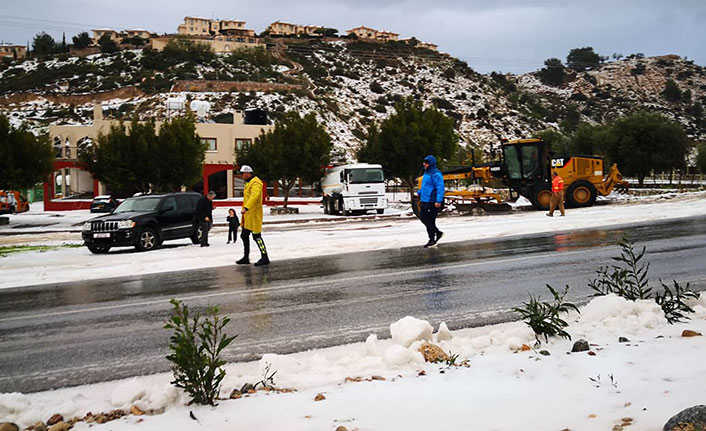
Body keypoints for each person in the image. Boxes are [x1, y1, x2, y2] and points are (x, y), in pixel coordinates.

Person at [236, 165, 270, 266]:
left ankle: (265, 257)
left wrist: (246, 207)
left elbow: (254, 196)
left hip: (254, 214)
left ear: (248, 173)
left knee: (257, 236)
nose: (242, 175)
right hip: (248, 215)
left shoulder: (256, 182)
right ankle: (246, 257)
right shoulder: (249, 183)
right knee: (244, 235)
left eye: (243, 173)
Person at [416, 155, 445, 248]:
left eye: (426, 162)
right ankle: (437, 233)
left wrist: (438, 201)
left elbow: (440, 188)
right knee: (423, 218)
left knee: (429, 220)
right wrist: (418, 193)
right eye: (424, 162)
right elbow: (425, 186)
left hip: (432, 201)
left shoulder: (436, 174)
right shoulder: (427, 173)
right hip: (425, 200)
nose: (424, 164)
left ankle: (432, 239)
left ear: (431, 164)